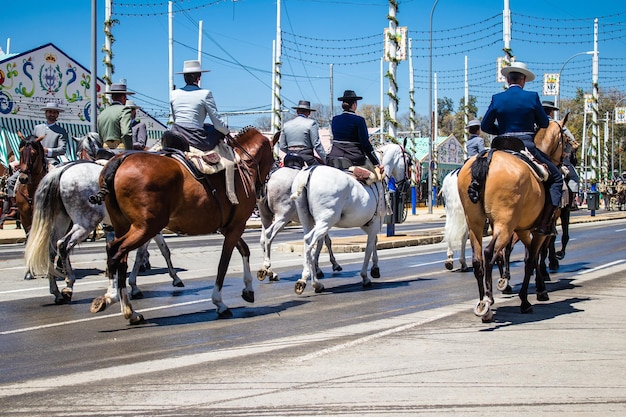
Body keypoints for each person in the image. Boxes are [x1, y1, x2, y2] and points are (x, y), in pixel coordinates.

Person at [481, 61, 562, 235]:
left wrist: (501, 132)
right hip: (526, 145)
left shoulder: (497, 98)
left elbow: (485, 125)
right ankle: (544, 223)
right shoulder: (532, 97)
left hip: (500, 145)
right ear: (524, 80)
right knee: (556, 178)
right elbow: (544, 122)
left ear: (508, 80)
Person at [169, 60, 229, 151]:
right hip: (195, 137)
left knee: (207, 126)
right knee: (217, 131)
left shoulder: (174, 94)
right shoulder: (205, 94)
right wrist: (226, 131)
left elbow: (175, 119)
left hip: (175, 133)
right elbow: (217, 123)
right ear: (199, 77)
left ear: (184, 77)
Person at [328, 90, 383, 174]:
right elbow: (365, 144)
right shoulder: (359, 120)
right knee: (375, 175)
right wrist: (376, 162)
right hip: (353, 158)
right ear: (354, 105)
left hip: (334, 157)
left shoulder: (335, 119)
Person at [542, 100, 580, 196]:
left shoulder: (536, 123)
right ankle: (571, 203)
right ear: (551, 112)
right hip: (555, 158)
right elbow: (572, 140)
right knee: (574, 177)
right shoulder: (558, 124)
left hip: (536, 154)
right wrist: (566, 153)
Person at [278, 100, 326, 166]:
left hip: (289, 158)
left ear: (297, 111)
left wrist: (291, 152)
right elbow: (316, 144)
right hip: (306, 157)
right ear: (309, 113)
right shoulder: (311, 123)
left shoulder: (286, 125)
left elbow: (282, 146)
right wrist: (326, 159)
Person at [98, 82, 134, 150]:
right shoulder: (124, 110)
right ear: (124, 97)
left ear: (112, 98)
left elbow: (100, 135)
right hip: (120, 149)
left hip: (105, 149)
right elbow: (126, 133)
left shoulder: (103, 113)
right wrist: (129, 149)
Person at [32, 102, 68, 166]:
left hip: (51, 161)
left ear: (57, 115)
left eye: (54, 112)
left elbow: (62, 149)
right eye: (50, 112)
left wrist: (48, 151)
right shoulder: (37, 128)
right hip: (35, 160)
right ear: (46, 113)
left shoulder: (61, 131)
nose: (52, 114)